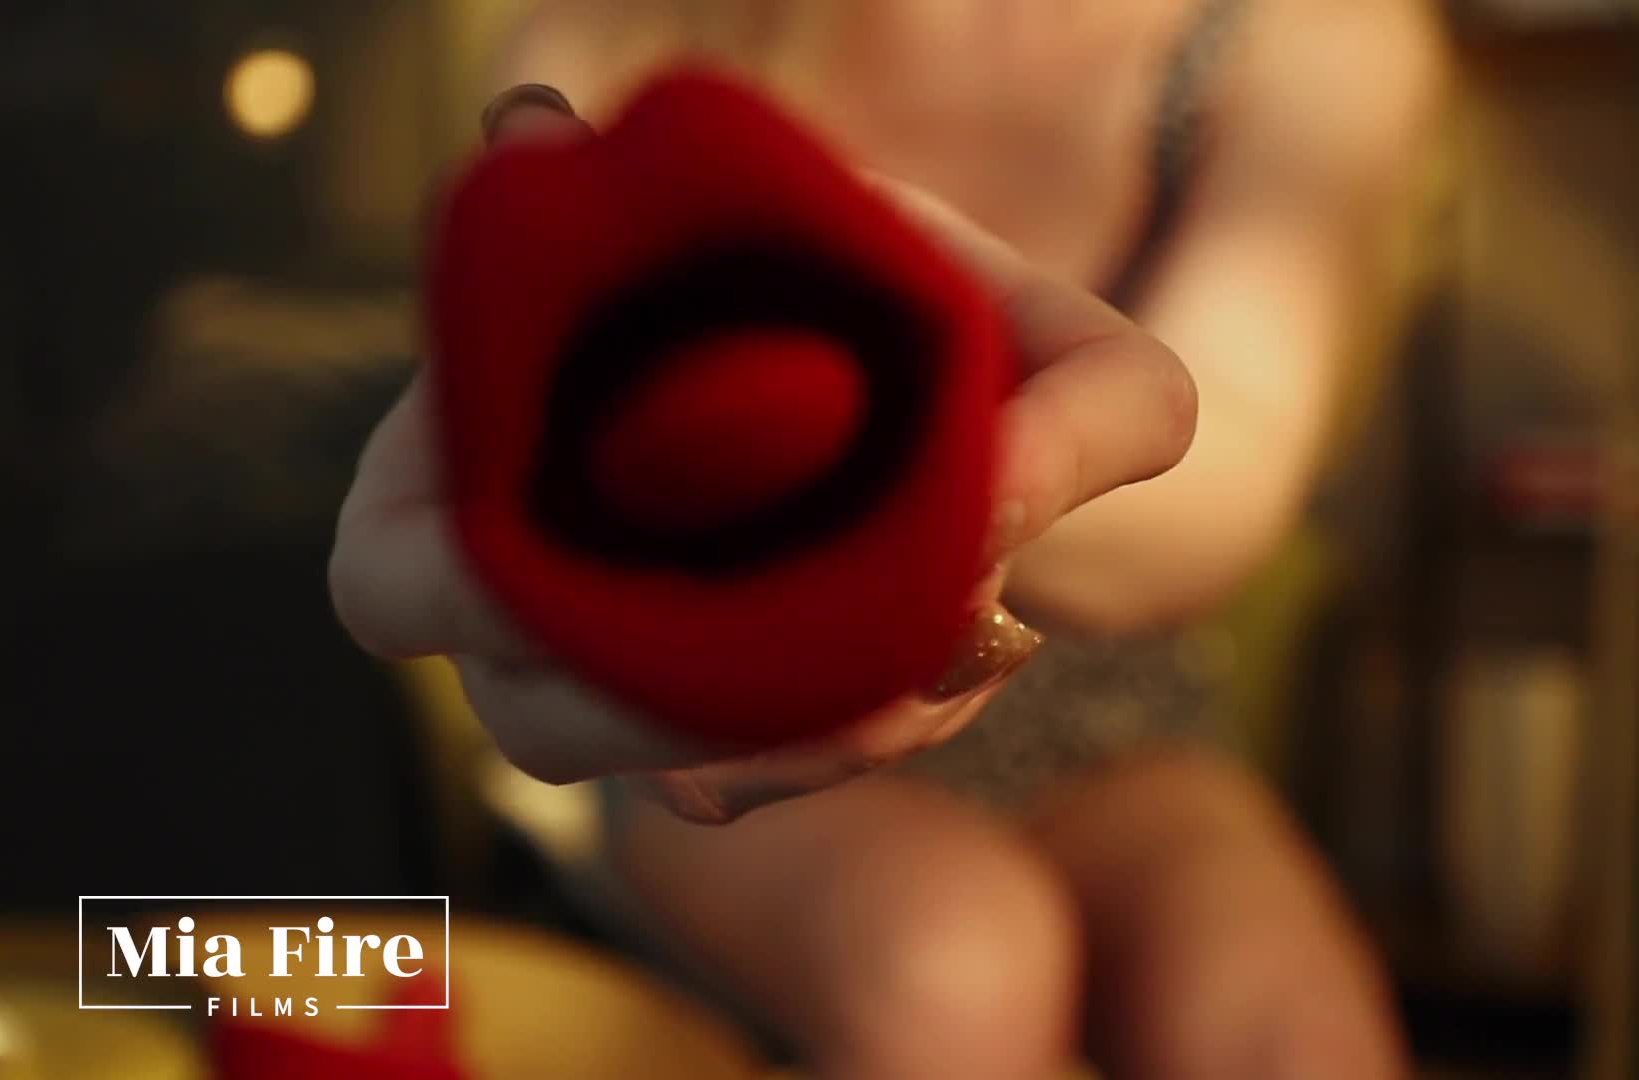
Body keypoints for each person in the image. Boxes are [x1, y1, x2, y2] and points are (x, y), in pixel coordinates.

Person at [329, 1, 1447, 1076]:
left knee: (1292, 1038)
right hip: (749, 685)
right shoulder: (628, 27)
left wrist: (876, 461)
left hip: (1106, 713)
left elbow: (1218, 481)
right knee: (950, 968)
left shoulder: (1289, 38)